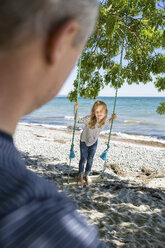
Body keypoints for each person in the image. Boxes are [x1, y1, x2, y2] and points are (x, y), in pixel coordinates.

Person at [0, 0, 107, 247]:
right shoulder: (42, 221)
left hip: (92, 144)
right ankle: (82, 175)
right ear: (61, 40)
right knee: (83, 160)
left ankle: (86, 175)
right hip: (83, 143)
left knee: (89, 161)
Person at [74, 101, 117, 187]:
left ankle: (87, 174)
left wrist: (112, 118)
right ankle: (80, 175)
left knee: (90, 159)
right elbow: (77, 120)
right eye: (97, 111)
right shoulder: (88, 119)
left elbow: (109, 123)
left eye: (101, 111)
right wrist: (75, 110)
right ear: (94, 112)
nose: (99, 113)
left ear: (105, 112)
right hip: (84, 141)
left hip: (94, 142)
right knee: (83, 159)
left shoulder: (104, 123)